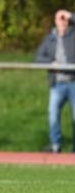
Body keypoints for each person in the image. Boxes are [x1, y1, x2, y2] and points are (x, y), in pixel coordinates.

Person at [35, 9, 75, 153]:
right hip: (57, 84)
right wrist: (51, 62)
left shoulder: (73, 35)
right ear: (55, 21)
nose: (63, 22)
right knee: (52, 114)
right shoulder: (50, 38)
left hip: (73, 82)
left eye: (65, 19)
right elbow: (37, 58)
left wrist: (70, 15)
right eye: (60, 19)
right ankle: (55, 145)